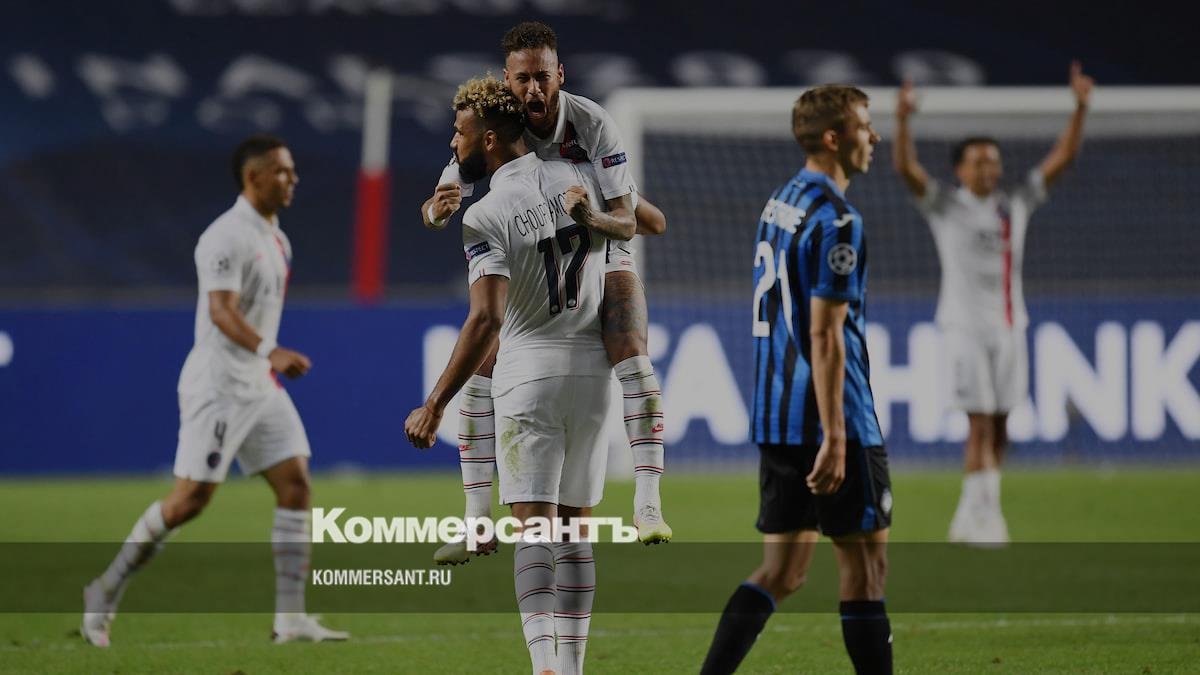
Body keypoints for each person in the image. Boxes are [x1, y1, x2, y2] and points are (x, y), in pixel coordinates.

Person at [81, 135, 348, 647]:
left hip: (258, 385)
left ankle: (291, 619)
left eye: (292, 170)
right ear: (254, 177)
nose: (292, 179)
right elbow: (221, 311)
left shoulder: (277, 238)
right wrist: (270, 350)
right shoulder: (223, 237)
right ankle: (105, 589)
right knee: (189, 501)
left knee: (296, 485)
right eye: (282, 171)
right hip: (219, 386)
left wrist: (265, 360)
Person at [405, 76, 633, 675]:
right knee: (576, 533)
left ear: (487, 139)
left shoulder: (485, 215)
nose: (452, 144)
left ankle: (544, 666)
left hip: (529, 375)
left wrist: (435, 403)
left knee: (534, 534)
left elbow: (486, 319)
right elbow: (635, 220)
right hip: (593, 378)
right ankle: (573, 668)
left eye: (458, 133)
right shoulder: (578, 180)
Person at [421, 21, 671, 564]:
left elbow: (628, 224)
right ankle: (475, 520)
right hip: (539, 244)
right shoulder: (495, 121)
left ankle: (648, 503)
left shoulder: (591, 122)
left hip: (600, 234)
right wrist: (435, 213)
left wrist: (597, 215)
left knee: (630, 345)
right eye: (522, 79)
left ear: (561, 74)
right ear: (506, 80)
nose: (533, 90)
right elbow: (442, 196)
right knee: (482, 363)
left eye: (542, 77)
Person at [700, 85, 892, 675]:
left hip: (777, 417)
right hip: (833, 420)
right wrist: (835, 435)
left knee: (782, 572)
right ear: (834, 137)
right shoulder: (838, 219)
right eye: (864, 125)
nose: (874, 136)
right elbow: (825, 335)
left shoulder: (780, 201)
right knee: (865, 571)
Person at [893, 62, 1093, 545]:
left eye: (994, 161)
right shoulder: (945, 205)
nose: (989, 169)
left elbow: (1062, 157)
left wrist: (1080, 109)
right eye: (979, 162)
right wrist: (902, 120)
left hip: (1009, 327)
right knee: (979, 423)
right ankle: (987, 518)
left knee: (1002, 425)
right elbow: (906, 169)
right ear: (960, 169)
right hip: (963, 329)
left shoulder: (1014, 204)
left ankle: (971, 513)